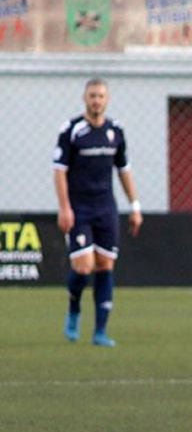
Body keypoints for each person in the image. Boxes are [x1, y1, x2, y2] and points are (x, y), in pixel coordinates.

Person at [53, 78, 143, 347]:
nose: (96, 100)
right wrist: (64, 207)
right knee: (83, 267)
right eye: (92, 95)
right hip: (79, 208)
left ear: (107, 99)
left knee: (105, 265)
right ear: (85, 98)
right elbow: (59, 171)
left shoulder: (116, 131)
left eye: (101, 96)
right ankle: (74, 308)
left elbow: (123, 169)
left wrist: (135, 206)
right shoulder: (72, 130)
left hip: (106, 208)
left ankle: (100, 332)